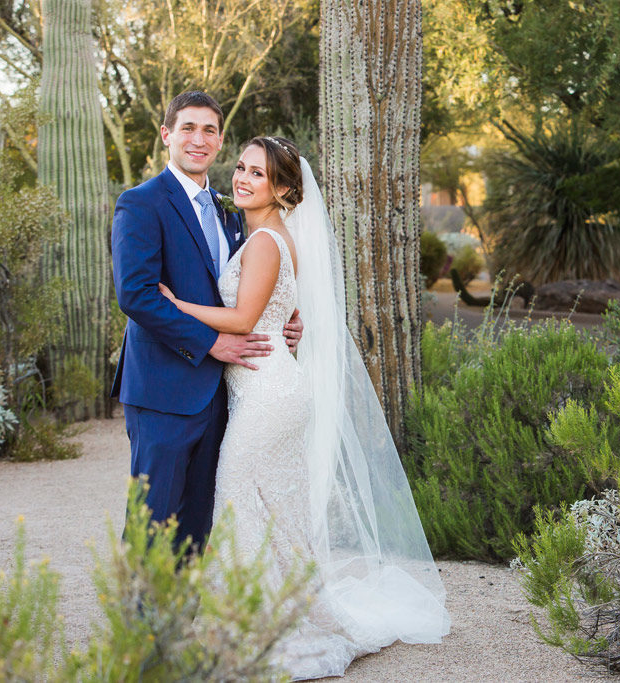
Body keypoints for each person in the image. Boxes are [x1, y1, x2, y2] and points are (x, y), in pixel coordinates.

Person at [158, 136, 450, 677]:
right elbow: (273, 313)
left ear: (285, 189)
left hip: (269, 394)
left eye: (258, 174)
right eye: (241, 167)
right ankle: (265, 614)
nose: (242, 178)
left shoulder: (266, 241)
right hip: (266, 388)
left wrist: (177, 305)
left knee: (237, 498)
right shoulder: (258, 235)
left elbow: (244, 320)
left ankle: (253, 628)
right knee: (273, 513)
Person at [111, 91, 302, 553]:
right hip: (164, 391)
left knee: (199, 521)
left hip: (224, 392)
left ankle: (182, 619)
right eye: (188, 128)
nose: (199, 139)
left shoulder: (232, 212)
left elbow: (256, 288)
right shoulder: (141, 203)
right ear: (167, 135)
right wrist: (210, 342)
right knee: (154, 518)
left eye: (210, 130)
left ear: (219, 141)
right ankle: (141, 627)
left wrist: (286, 324)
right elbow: (136, 296)